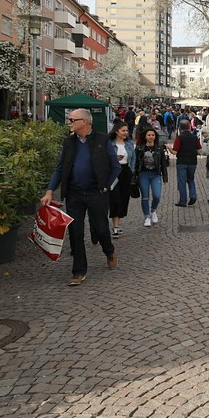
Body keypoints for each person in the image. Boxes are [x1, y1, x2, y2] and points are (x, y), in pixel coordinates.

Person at [40, 108, 120, 285]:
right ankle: (78, 271)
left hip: (96, 193)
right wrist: (49, 191)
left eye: (72, 120)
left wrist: (106, 185)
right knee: (75, 232)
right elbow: (60, 168)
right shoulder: (69, 142)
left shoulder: (102, 140)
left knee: (100, 228)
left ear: (84, 122)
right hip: (74, 194)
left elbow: (116, 167)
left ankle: (109, 251)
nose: (69, 123)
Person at [133, 125, 167, 227]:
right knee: (145, 197)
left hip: (155, 174)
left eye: (152, 135)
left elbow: (163, 163)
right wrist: (134, 175)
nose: (151, 137)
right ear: (145, 136)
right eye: (149, 135)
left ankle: (153, 211)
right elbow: (135, 163)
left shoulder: (159, 148)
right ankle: (147, 217)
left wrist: (165, 177)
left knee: (157, 196)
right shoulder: (139, 148)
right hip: (143, 174)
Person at [107, 120, 135, 238]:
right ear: (116, 131)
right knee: (115, 198)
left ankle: (118, 223)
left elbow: (133, 159)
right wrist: (113, 159)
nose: (125, 133)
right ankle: (115, 227)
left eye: (127, 131)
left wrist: (131, 172)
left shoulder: (129, 144)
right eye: (123, 130)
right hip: (113, 172)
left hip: (125, 171)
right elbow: (104, 158)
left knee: (123, 198)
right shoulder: (109, 143)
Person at [172, 119, 201, 206]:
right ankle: (192, 195)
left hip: (182, 161)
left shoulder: (179, 138)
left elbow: (175, 152)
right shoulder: (195, 137)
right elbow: (199, 149)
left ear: (180, 128)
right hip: (192, 161)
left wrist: (169, 148)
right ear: (189, 127)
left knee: (182, 182)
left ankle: (183, 201)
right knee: (191, 179)